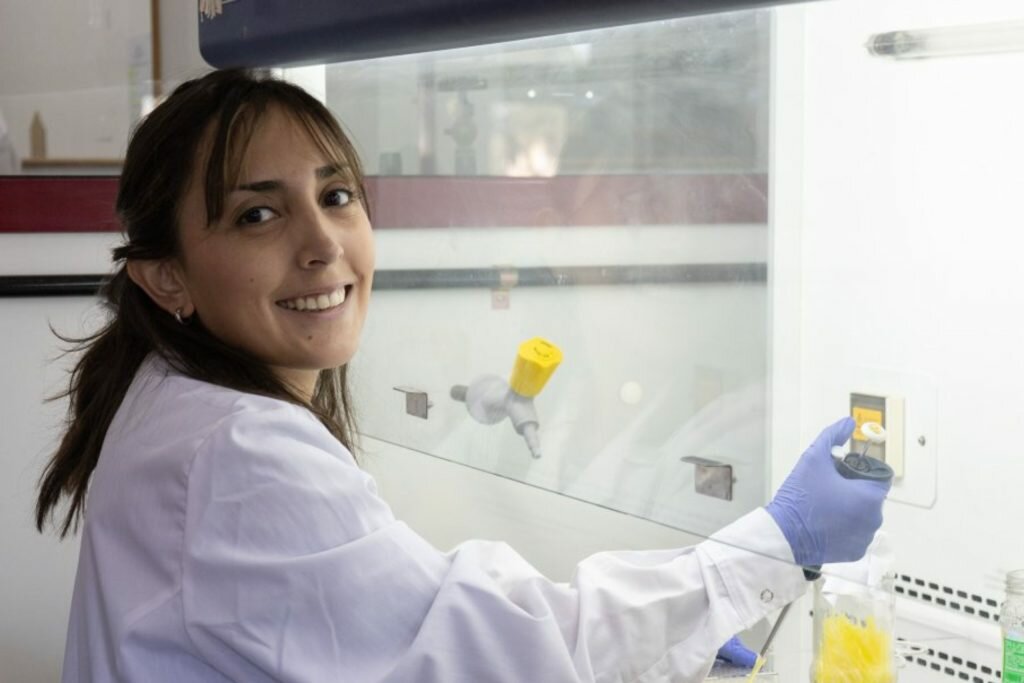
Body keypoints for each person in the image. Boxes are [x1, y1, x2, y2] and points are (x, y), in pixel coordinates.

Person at [36, 69, 890, 683]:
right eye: (258, 213)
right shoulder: (239, 452)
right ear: (167, 277)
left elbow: (423, 616)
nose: (323, 243)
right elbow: (508, 651)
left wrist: (669, 635)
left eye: (336, 196)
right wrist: (771, 547)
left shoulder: (168, 392)